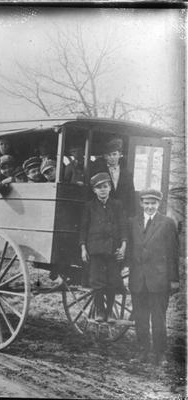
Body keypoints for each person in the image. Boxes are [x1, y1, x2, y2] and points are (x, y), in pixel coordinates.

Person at [128, 189, 179, 366]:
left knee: (158, 319)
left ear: (159, 204)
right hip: (138, 280)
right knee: (140, 319)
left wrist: (174, 280)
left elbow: (173, 253)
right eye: (147, 203)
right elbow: (129, 250)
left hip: (159, 280)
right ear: (142, 203)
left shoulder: (167, 223)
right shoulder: (133, 223)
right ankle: (142, 351)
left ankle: (160, 354)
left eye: (153, 203)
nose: (150, 206)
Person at [79, 172, 127, 323]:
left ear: (110, 188)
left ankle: (110, 313)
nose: (103, 190)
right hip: (95, 249)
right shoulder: (89, 206)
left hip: (113, 249)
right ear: (94, 190)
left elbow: (123, 226)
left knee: (112, 280)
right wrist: (83, 248)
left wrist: (124, 245)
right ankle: (100, 310)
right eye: (99, 187)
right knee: (97, 280)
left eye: (105, 186)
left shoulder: (117, 205)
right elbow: (83, 228)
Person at [92, 138, 136, 217]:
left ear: (120, 154)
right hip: (103, 213)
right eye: (109, 155)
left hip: (122, 213)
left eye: (114, 154)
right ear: (105, 157)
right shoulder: (99, 171)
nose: (112, 157)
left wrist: (131, 216)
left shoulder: (127, 174)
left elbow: (131, 195)